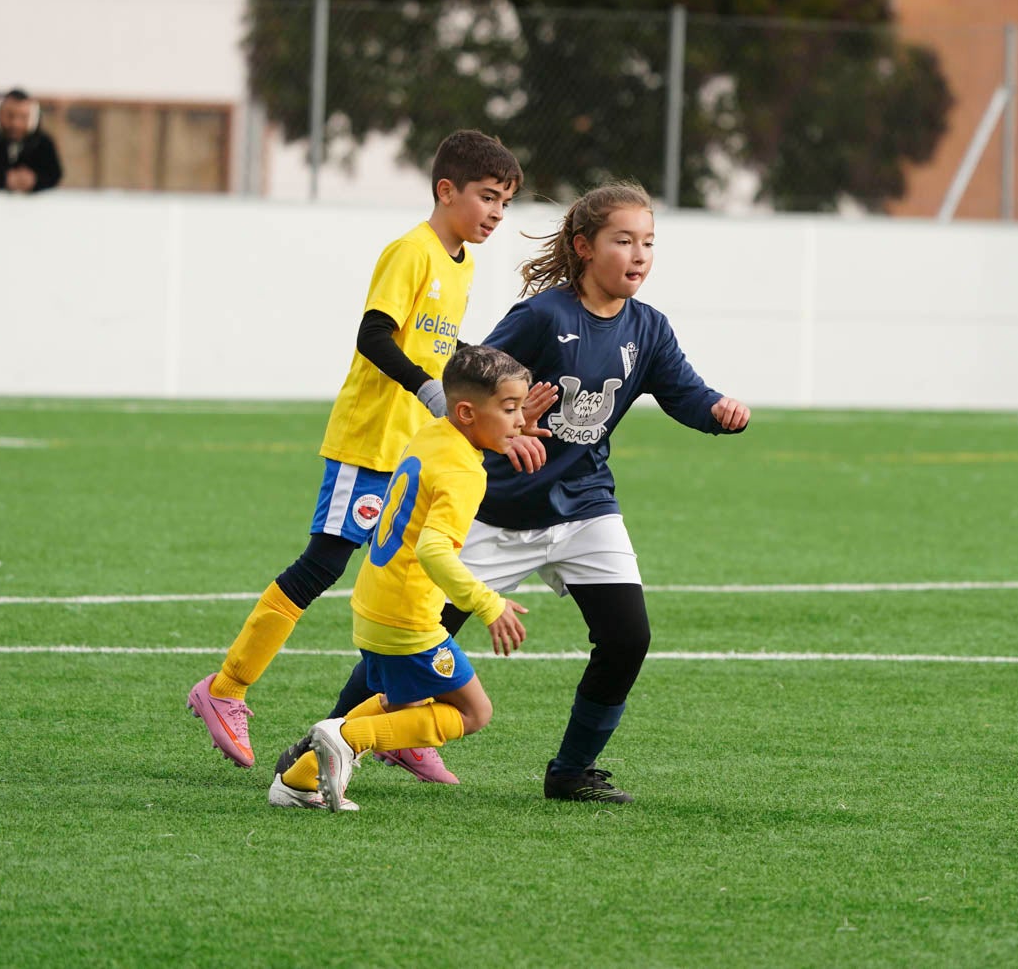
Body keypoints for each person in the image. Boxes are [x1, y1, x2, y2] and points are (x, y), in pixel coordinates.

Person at [324, 181, 751, 804]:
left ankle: (571, 771)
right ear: (584, 247)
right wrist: (512, 429)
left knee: (627, 638)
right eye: (623, 240)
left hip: (585, 507)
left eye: (648, 242)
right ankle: (325, 742)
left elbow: (685, 393)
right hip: (498, 512)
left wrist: (717, 410)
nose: (639, 254)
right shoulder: (544, 317)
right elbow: (471, 383)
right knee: (413, 636)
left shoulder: (648, 328)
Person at [186, 129, 525, 782]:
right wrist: (427, 388)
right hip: (369, 440)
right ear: (446, 190)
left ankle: (394, 720)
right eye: (488, 197)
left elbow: (440, 348)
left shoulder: (461, 263)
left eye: (505, 203)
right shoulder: (412, 251)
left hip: (411, 452)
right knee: (323, 563)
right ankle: (226, 687)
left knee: (407, 589)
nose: (496, 214)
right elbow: (374, 335)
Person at [268, 345, 537, 812]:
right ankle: (346, 738)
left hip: (374, 600)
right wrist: (488, 604)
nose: (521, 421)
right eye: (511, 409)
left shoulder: (433, 432)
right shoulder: (463, 471)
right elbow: (433, 550)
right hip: (408, 617)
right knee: (474, 711)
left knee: (401, 702)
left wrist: (504, 421)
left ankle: (297, 779)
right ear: (467, 412)